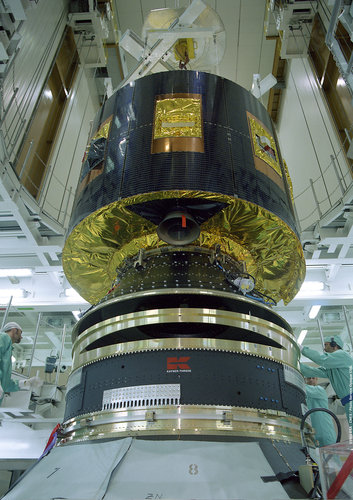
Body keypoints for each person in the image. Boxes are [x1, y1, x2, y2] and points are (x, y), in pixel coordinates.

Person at [300, 335, 353, 435]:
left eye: (326, 345)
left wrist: (302, 349)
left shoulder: (342, 355)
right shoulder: (332, 367)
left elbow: (321, 359)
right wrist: (295, 363)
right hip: (348, 402)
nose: (324, 348)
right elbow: (312, 371)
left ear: (334, 345)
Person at [0, 322, 42, 406]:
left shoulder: (9, 351)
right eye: (20, 333)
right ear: (15, 330)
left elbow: (7, 385)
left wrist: (26, 382)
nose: (21, 337)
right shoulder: (4, 337)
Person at [304, 376, 337, 447]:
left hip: (325, 432)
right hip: (312, 433)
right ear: (305, 380)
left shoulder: (320, 390)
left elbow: (303, 387)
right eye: (309, 378)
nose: (311, 380)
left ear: (316, 379)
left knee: (331, 455)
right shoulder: (305, 396)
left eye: (313, 378)